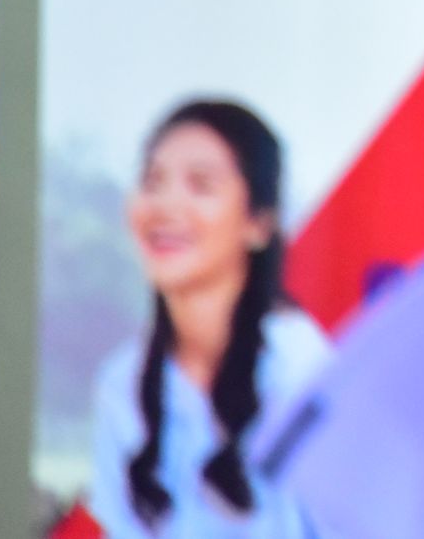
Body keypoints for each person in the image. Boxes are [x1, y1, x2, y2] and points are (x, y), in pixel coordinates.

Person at [87, 101, 329, 538]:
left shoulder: (302, 369)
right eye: (152, 182)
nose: (165, 206)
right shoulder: (121, 383)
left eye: (200, 185)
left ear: (258, 224)